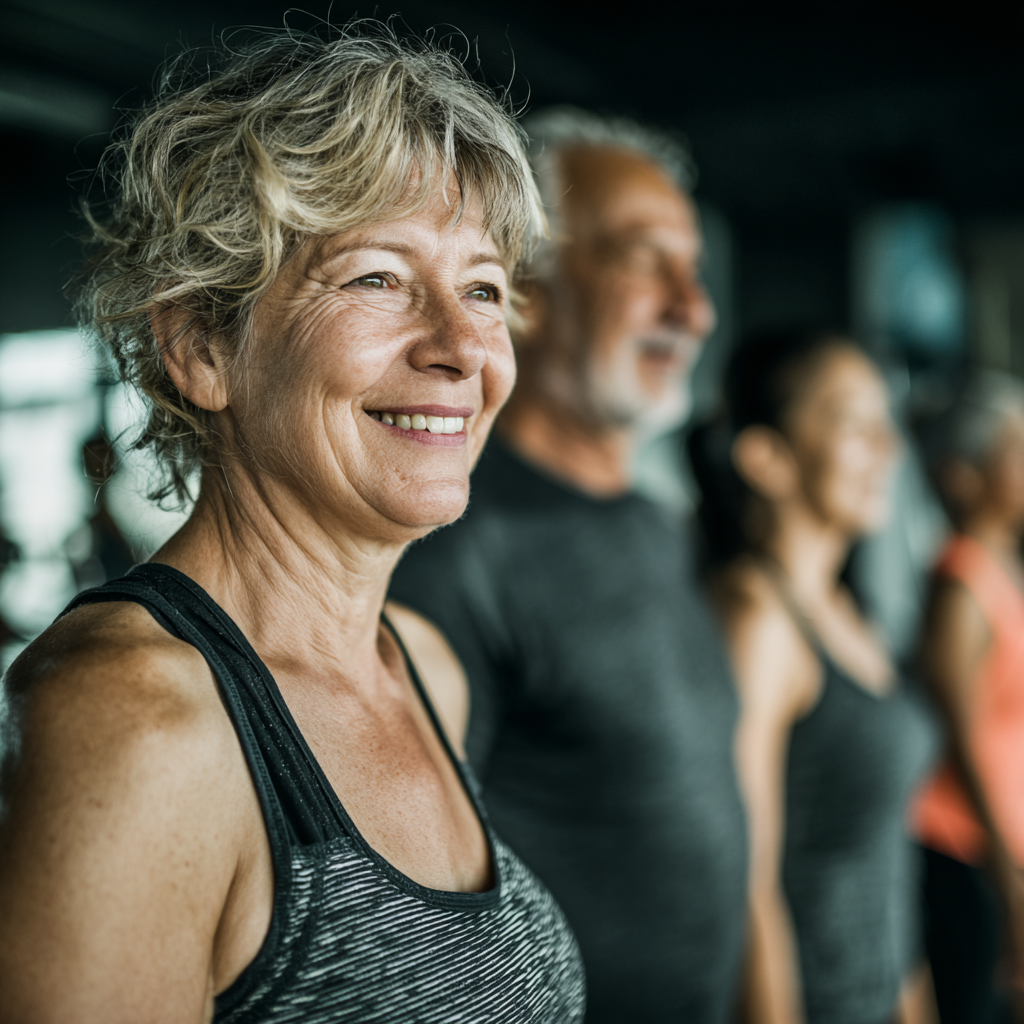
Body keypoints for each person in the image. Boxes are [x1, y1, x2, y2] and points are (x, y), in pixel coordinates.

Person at [0, 27, 586, 1023]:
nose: (459, 347)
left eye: (482, 288)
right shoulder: (137, 722)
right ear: (200, 346)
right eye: (377, 278)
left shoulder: (425, 671)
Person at [389, 108, 748, 1023]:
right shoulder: (451, 543)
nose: (693, 307)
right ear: (527, 293)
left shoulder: (661, 525)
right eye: (643, 258)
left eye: (695, 270)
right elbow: (415, 928)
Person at [688, 328, 938, 1024]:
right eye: (854, 424)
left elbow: (885, 864)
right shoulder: (756, 618)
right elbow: (746, 885)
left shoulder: (848, 612)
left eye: (886, 424)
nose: (887, 449)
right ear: (766, 457)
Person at [914, 371, 1024, 1022]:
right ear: (967, 473)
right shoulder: (959, 583)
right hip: (965, 848)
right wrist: (1005, 871)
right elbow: (961, 740)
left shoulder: (1001, 568)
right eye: (1015, 451)